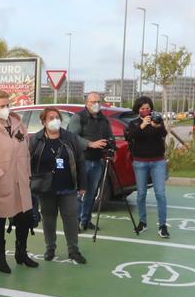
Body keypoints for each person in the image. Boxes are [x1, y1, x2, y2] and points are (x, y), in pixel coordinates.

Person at [0, 90, 37, 273]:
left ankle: (21, 253)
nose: (5, 109)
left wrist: (27, 173)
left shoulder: (18, 124)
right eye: (1, 106)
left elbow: (26, 151)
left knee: (24, 217)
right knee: (0, 218)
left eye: (7, 105)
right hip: (1, 182)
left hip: (21, 180)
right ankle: (0, 257)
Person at [29, 107, 88, 264]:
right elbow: (28, 162)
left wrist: (82, 185)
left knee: (70, 219)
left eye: (57, 117)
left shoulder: (70, 138)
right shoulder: (36, 139)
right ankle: (50, 248)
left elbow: (81, 162)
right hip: (45, 188)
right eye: (51, 118)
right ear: (43, 121)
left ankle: (73, 251)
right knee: (48, 219)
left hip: (67, 186)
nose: (55, 120)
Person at [124, 96, 171, 238]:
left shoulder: (156, 119)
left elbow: (163, 134)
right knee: (141, 194)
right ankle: (142, 222)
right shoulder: (133, 123)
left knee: (160, 194)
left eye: (148, 108)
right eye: (142, 108)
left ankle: (162, 225)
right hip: (140, 162)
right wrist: (143, 125)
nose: (145, 111)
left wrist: (158, 126)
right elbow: (130, 136)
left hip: (158, 161)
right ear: (138, 110)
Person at [68, 92, 115, 231]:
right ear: (86, 102)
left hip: (97, 161)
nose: (96, 104)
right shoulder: (79, 117)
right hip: (82, 161)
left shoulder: (104, 119)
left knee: (92, 193)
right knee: (78, 193)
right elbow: (72, 137)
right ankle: (74, 223)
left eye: (98, 102)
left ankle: (86, 220)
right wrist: (90, 144)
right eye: (93, 102)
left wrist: (111, 146)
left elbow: (110, 136)